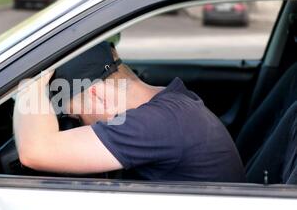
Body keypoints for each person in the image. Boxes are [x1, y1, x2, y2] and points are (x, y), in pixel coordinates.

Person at [13, 41, 246, 182]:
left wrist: (28, 84)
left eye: (77, 116)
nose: (82, 125)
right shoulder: (172, 102)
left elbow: (35, 151)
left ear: (98, 95)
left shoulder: (156, 123)